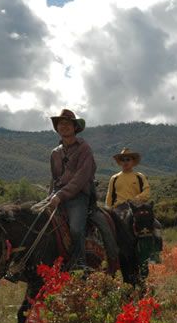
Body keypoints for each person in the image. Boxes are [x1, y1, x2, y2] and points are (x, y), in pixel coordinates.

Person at [47, 109, 96, 270]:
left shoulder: (84, 149)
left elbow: (81, 178)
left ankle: (80, 263)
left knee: (75, 228)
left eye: (68, 123)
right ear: (57, 128)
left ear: (75, 127)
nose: (64, 126)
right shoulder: (55, 153)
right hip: (58, 196)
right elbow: (54, 179)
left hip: (78, 196)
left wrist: (60, 195)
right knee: (37, 219)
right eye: (61, 124)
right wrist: (50, 197)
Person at [105, 148, 163, 262]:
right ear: (120, 162)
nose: (125, 161)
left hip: (137, 207)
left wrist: (136, 199)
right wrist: (108, 210)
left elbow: (146, 191)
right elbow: (110, 196)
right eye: (123, 159)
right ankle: (109, 255)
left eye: (128, 159)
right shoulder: (114, 178)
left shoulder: (139, 176)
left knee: (156, 225)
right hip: (119, 208)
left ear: (133, 161)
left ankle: (155, 253)